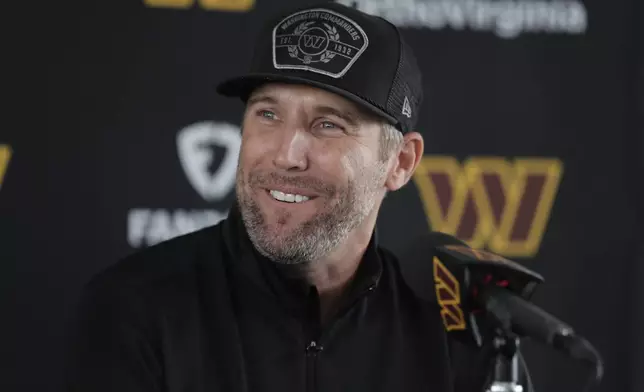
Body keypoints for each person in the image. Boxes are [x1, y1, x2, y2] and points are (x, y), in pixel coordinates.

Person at [64, 2, 517, 391]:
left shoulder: (455, 332)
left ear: (400, 162)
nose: (286, 155)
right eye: (268, 114)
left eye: (328, 125)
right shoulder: (136, 307)